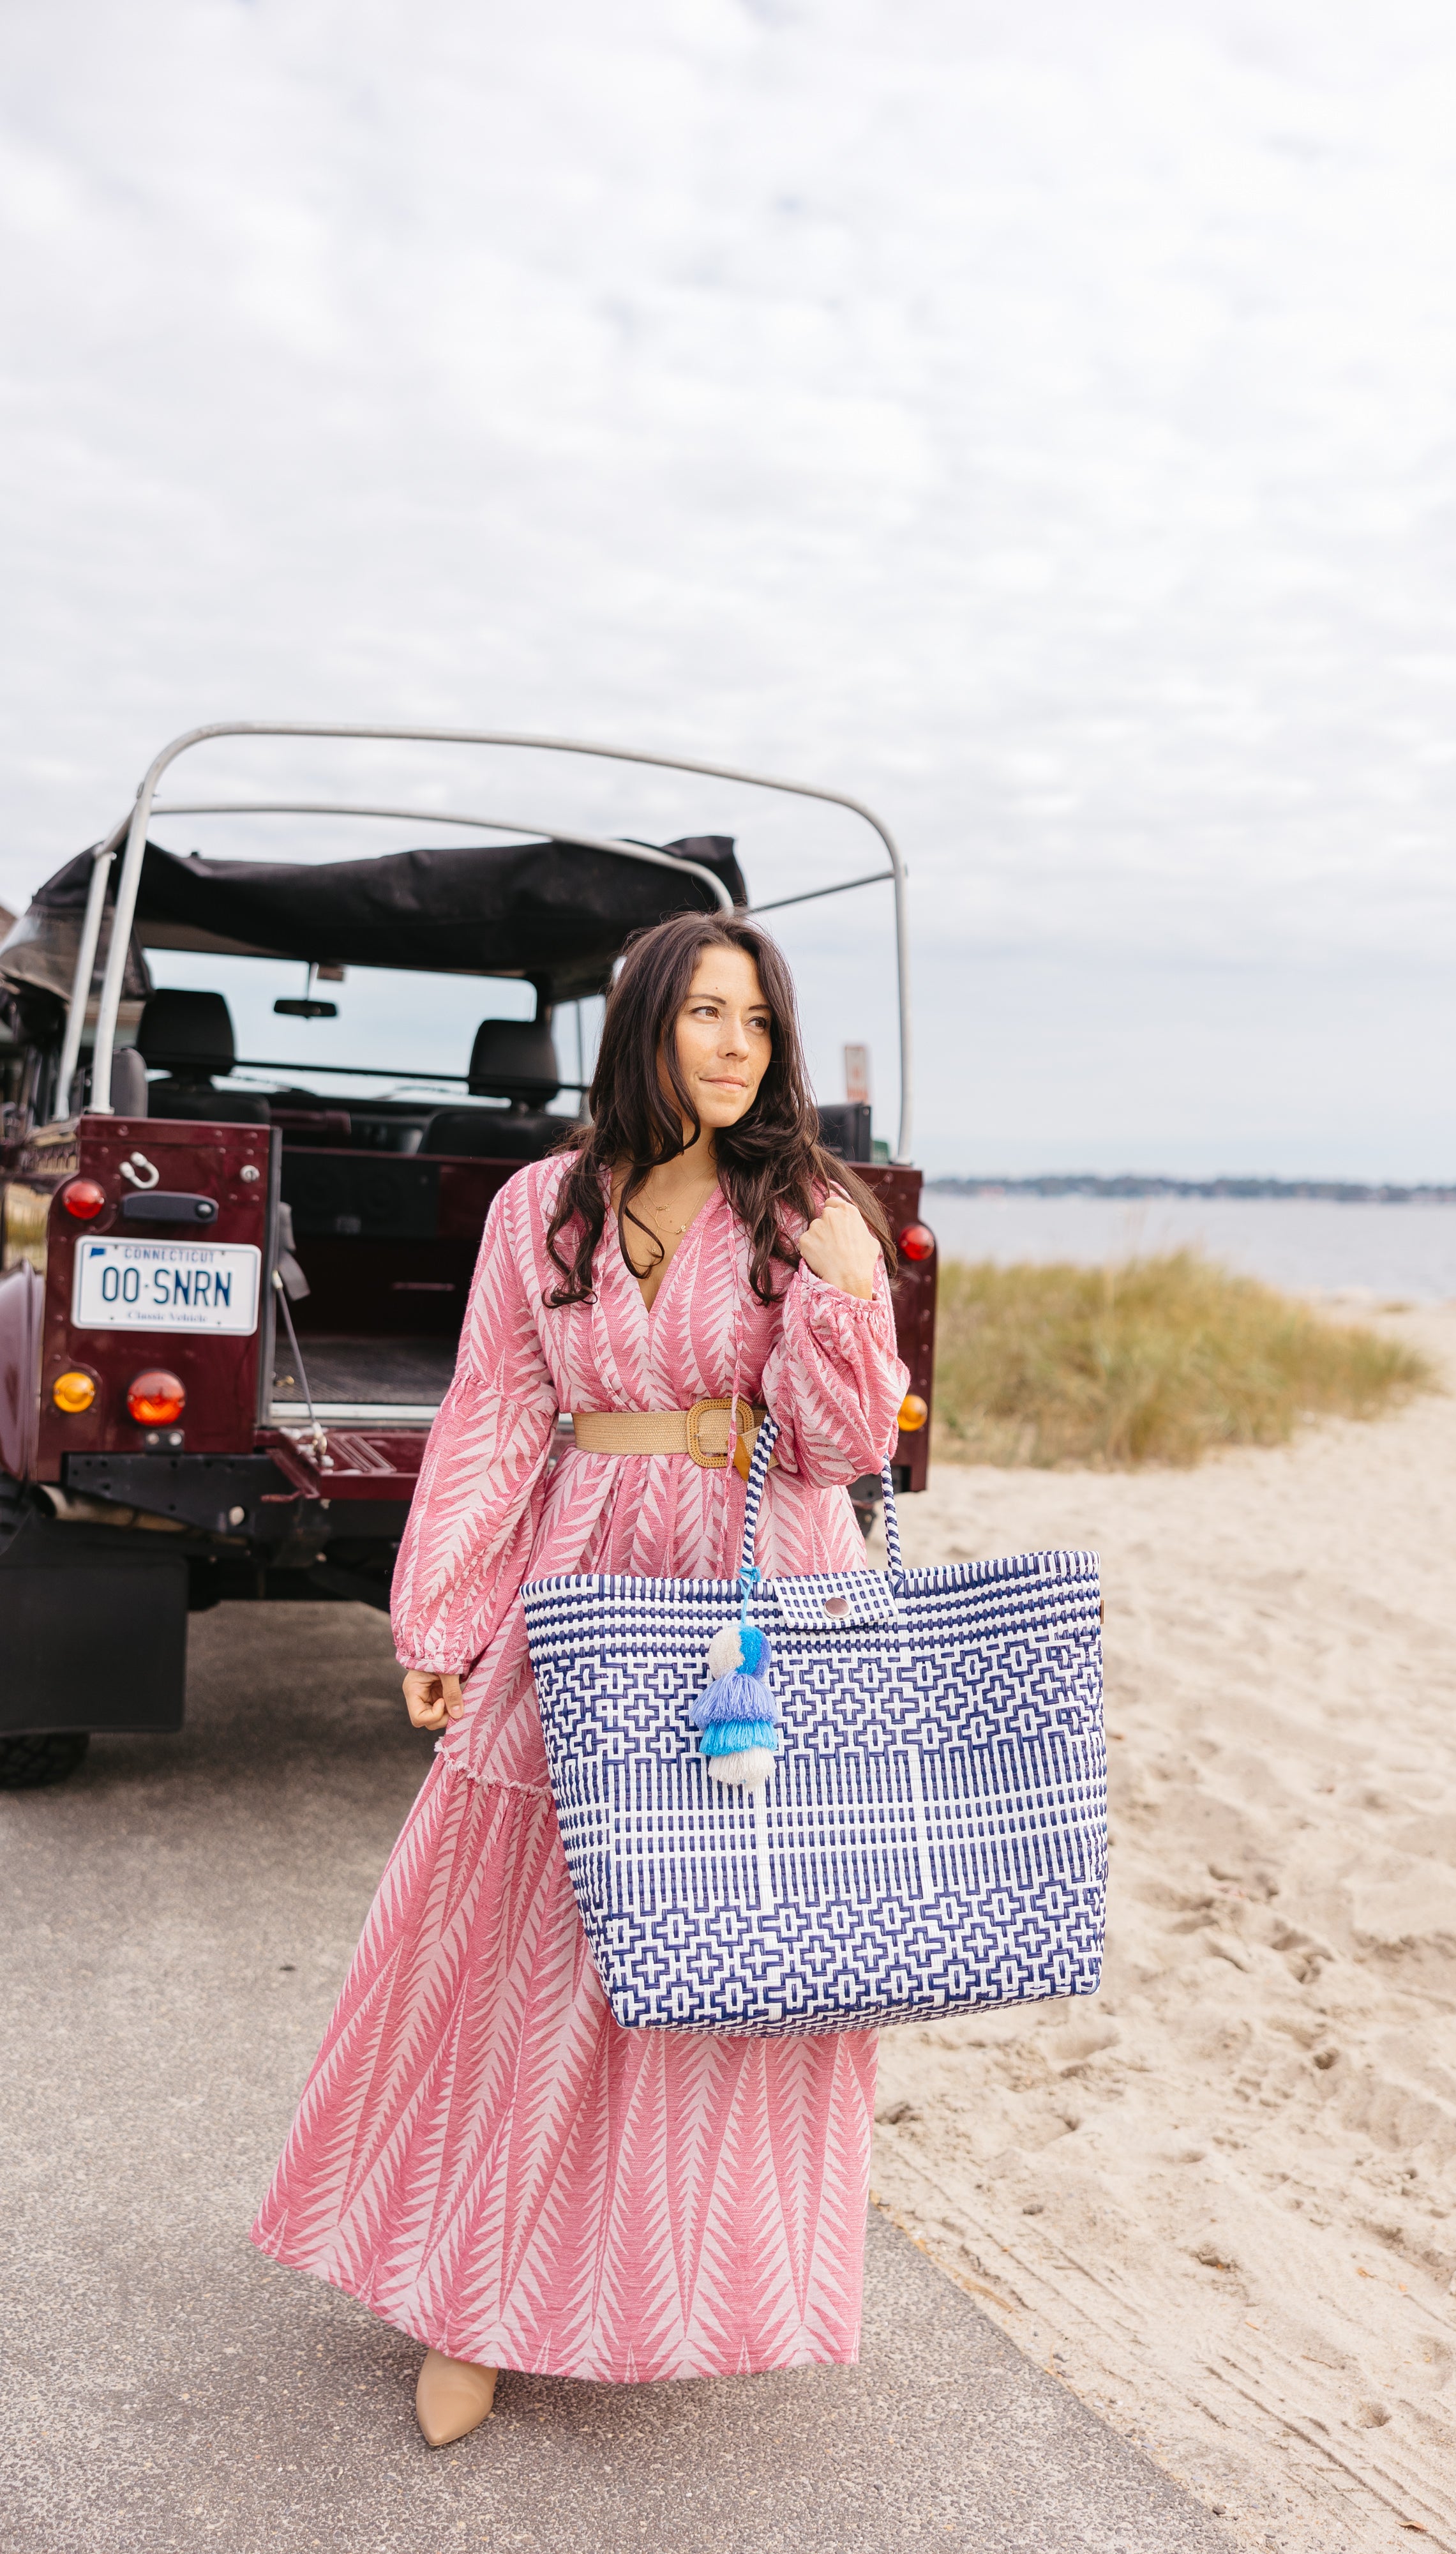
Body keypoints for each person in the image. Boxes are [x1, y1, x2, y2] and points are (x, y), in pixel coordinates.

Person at [250, 911, 906, 2447]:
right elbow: (488, 1420)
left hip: (763, 1601)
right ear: (642, 1029)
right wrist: (441, 1618)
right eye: (706, 1014)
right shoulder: (540, 1206)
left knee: (726, 1963)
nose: (737, 1045)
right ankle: (472, 2299)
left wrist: (849, 1289)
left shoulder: (804, 1206)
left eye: (759, 1019)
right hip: (591, 1590)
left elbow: (845, 1446)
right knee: (527, 1958)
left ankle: (669, 2290)